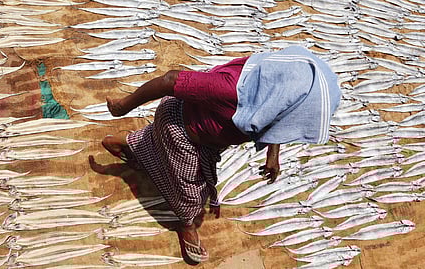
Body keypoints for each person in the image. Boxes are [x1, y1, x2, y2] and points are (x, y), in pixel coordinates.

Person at [93, 46, 342, 263]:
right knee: (190, 190)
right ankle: (185, 224)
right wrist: (122, 106)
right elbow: (171, 80)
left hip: (206, 135)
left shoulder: (274, 94)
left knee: (155, 142)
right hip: (180, 132)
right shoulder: (234, 88)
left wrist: (272, 155)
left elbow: (277, 122)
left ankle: (126, 143)